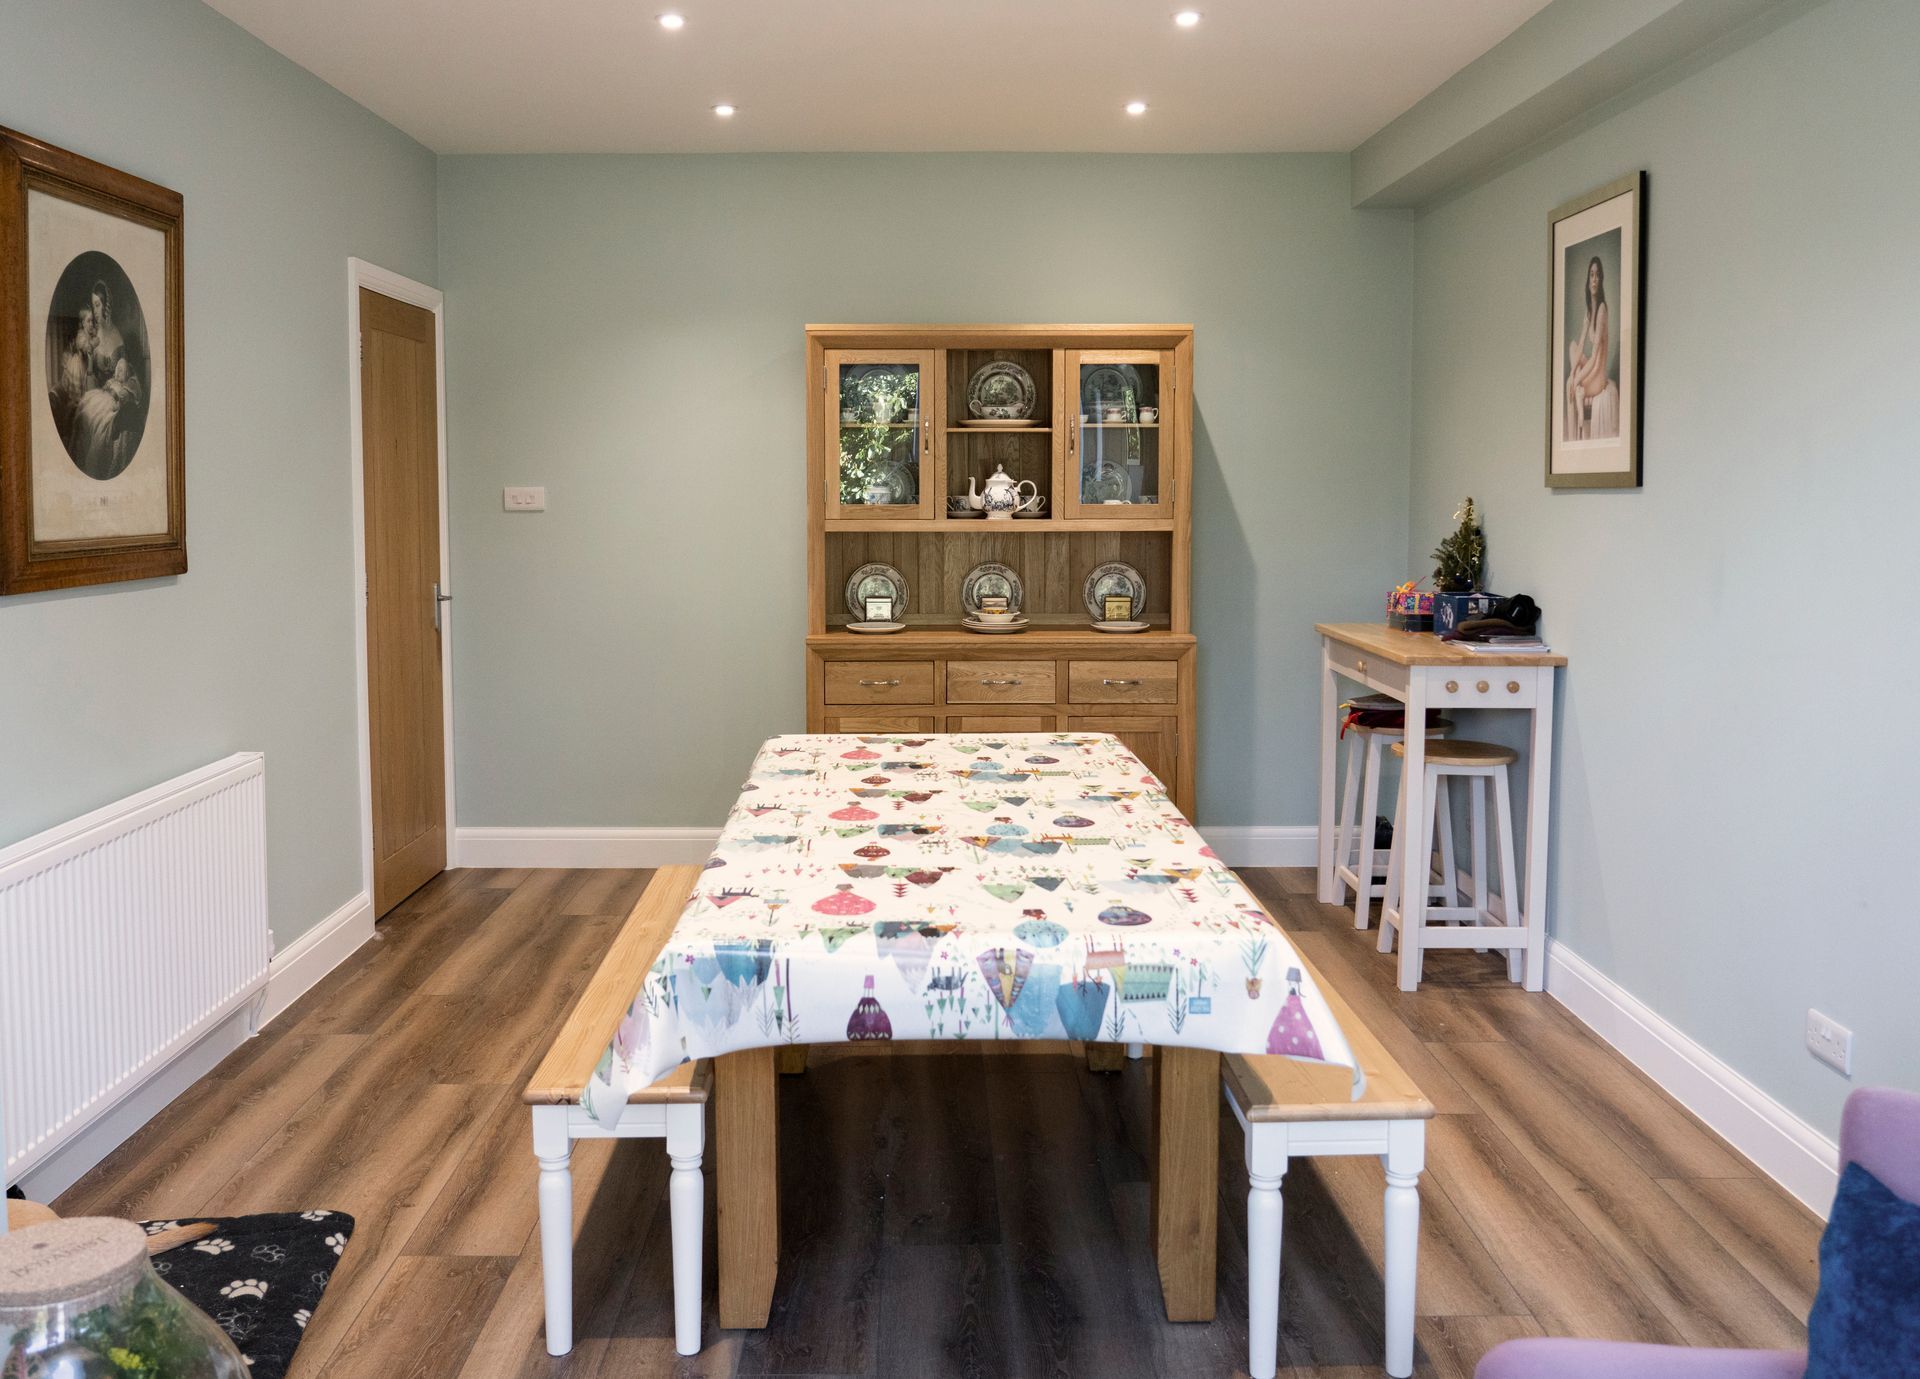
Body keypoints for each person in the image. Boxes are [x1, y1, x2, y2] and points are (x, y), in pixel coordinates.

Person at [1565, 256, 1614, 440]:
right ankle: (1579, 394)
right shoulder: (1589, 311)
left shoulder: (1602, 310)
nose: (1594, 279)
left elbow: (1594, 359)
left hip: (1599, 376)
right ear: (1588, 280)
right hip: (1591, 371)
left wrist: (1577, 378)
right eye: (1591, 275)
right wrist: (1572, 373)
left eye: (1597, 276)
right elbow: (1580, 345)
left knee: (1574, 383)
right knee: (1572, 346)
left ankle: (1579, 396)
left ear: (1601, 281)